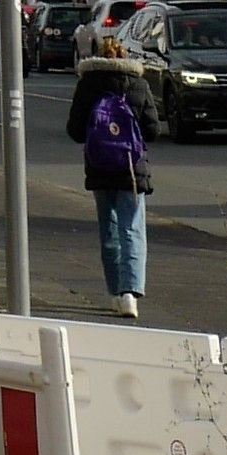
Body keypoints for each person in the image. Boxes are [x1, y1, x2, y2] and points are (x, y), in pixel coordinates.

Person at [71, 50, 151, 314]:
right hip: (131, 169)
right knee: (132, 229)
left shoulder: (88, 84)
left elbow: (74, 129)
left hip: (99, 166)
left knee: (109, 230)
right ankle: (131, 293)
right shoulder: (138, 83)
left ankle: (116, 292)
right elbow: (153, 129)